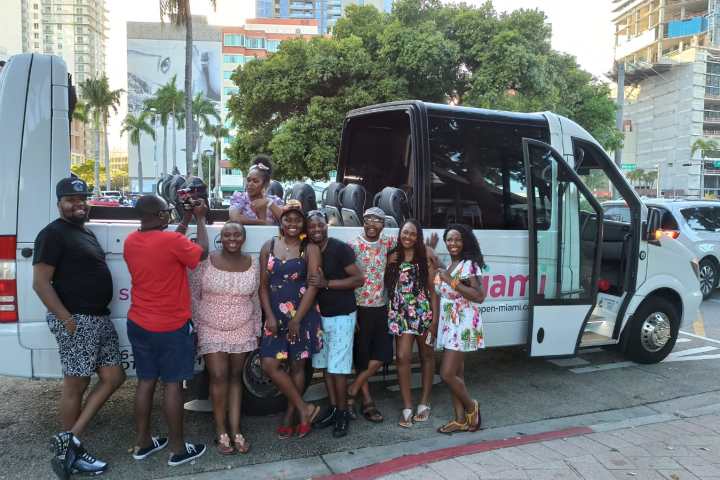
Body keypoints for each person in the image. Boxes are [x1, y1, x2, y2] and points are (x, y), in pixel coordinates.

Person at [33, 177, 126, 479]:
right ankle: (69, 450)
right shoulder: (52, 235)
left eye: (82, 198)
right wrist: (66, 320)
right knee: (76, 384)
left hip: (99, 318)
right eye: (71, 200)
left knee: (114, 376)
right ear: (59, 202)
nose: (78, 204)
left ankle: (69, 440)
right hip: (77, 320)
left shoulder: (83, 232)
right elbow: (40, 283)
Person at [123, 195, 209, 466]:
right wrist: (200, 219)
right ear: (159, 216)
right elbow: (201, 252)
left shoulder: (131, 241)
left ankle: (143, 442)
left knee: (146, 381)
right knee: (173, 385)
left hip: (138, 323)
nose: (170, 215)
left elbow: (172, 244)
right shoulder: (171, 242)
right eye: (167, 213)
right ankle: (177, 448)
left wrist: (184, 220)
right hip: (171, 327)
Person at [189, 221, 260, 454]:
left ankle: (236, 429)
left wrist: (256, 328)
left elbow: (257, 298)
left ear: (243, 238)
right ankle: (221, 431)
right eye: (227, 234)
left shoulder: (253, 263)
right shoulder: (205, 261)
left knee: (235, 377)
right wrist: (200, 325)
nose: (232, 238)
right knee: (218, 376)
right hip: (211, 327)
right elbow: (194, 294)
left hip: (243, 326)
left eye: (237, 234)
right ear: (221, 237)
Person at [259, 200, 323, 438]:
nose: (293, 223)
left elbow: (313, 287)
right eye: (288, 219)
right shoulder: (269, 246)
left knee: (297, 365)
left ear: (303, 223)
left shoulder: (311, 249)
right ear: (281, 222)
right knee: (270, 365)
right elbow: (263, 287)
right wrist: (269, 315)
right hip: (275, 316)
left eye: (297, 219)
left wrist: (297, 320)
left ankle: (290, 416)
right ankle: (304, 408)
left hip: (303, 316)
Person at [306, 210, 365, 438]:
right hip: (321, 318)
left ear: (326, 226)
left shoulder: (339, 248)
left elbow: (358, 279)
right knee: (326, 368)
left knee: (338, 370)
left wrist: (326, 283)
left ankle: (343, 413)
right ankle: (333, 409)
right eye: (312, 226)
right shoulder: (309, 250)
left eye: (320, 225)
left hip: (342, 316)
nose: (317, 230)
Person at [429, 224, 486, 434]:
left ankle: (472, 407)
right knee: (457, 374)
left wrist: (450, 280)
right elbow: (443, 284)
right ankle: (460, 419)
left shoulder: (469, 264)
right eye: (450, 240)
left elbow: (479, 296)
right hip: (449, 324)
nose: (453, 243)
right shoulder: (452, 265)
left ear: (465, 242)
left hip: (462, 324)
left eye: (458, 240)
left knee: (446, 373)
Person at [385, 219, 437, 428]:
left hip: (423, 313)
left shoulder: (425, 257)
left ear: (418, 237)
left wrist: (434, 320)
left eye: (412, 234)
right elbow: (386, 283)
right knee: (403, 357)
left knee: (427, 355)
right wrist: (389, 264)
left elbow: (433, 291)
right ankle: (407, 406)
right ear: (400, 234)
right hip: (401, 314)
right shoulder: (394, 256)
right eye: (405, 233)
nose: (408, 237)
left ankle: (424, 402)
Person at [347, 207, 396, 423]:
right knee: (362, 357)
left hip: (381, 307)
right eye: (368, 220)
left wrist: (429, 250)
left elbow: (409, 247)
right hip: (360, 308)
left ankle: (353, 388)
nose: (372, 225)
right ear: (363, 223)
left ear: (383, 225)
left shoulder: (387, 243)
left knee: (384, 354)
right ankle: (367, 401)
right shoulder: (354, 246)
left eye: (377, 221)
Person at [229, 155, 284, 225]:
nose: (250, 184)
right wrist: (262, 222)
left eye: (255, 181)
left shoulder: (274, 201)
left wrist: (268, 202)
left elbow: (285, 219)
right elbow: (235, 218)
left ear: (266, 184)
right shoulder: (240, 198)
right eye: (248, 180)